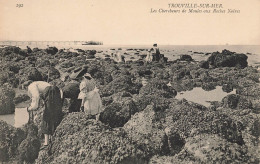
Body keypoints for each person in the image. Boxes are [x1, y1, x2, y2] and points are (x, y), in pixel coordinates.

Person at [27, 81, 63, 148]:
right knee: (54, 116)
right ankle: (51, 139)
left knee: (46, 118)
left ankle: (46, 142)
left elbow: (36, 97)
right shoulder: (37, 83)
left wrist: (32, 107)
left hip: (50, 93)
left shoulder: (31, 87)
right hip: (55, 92)